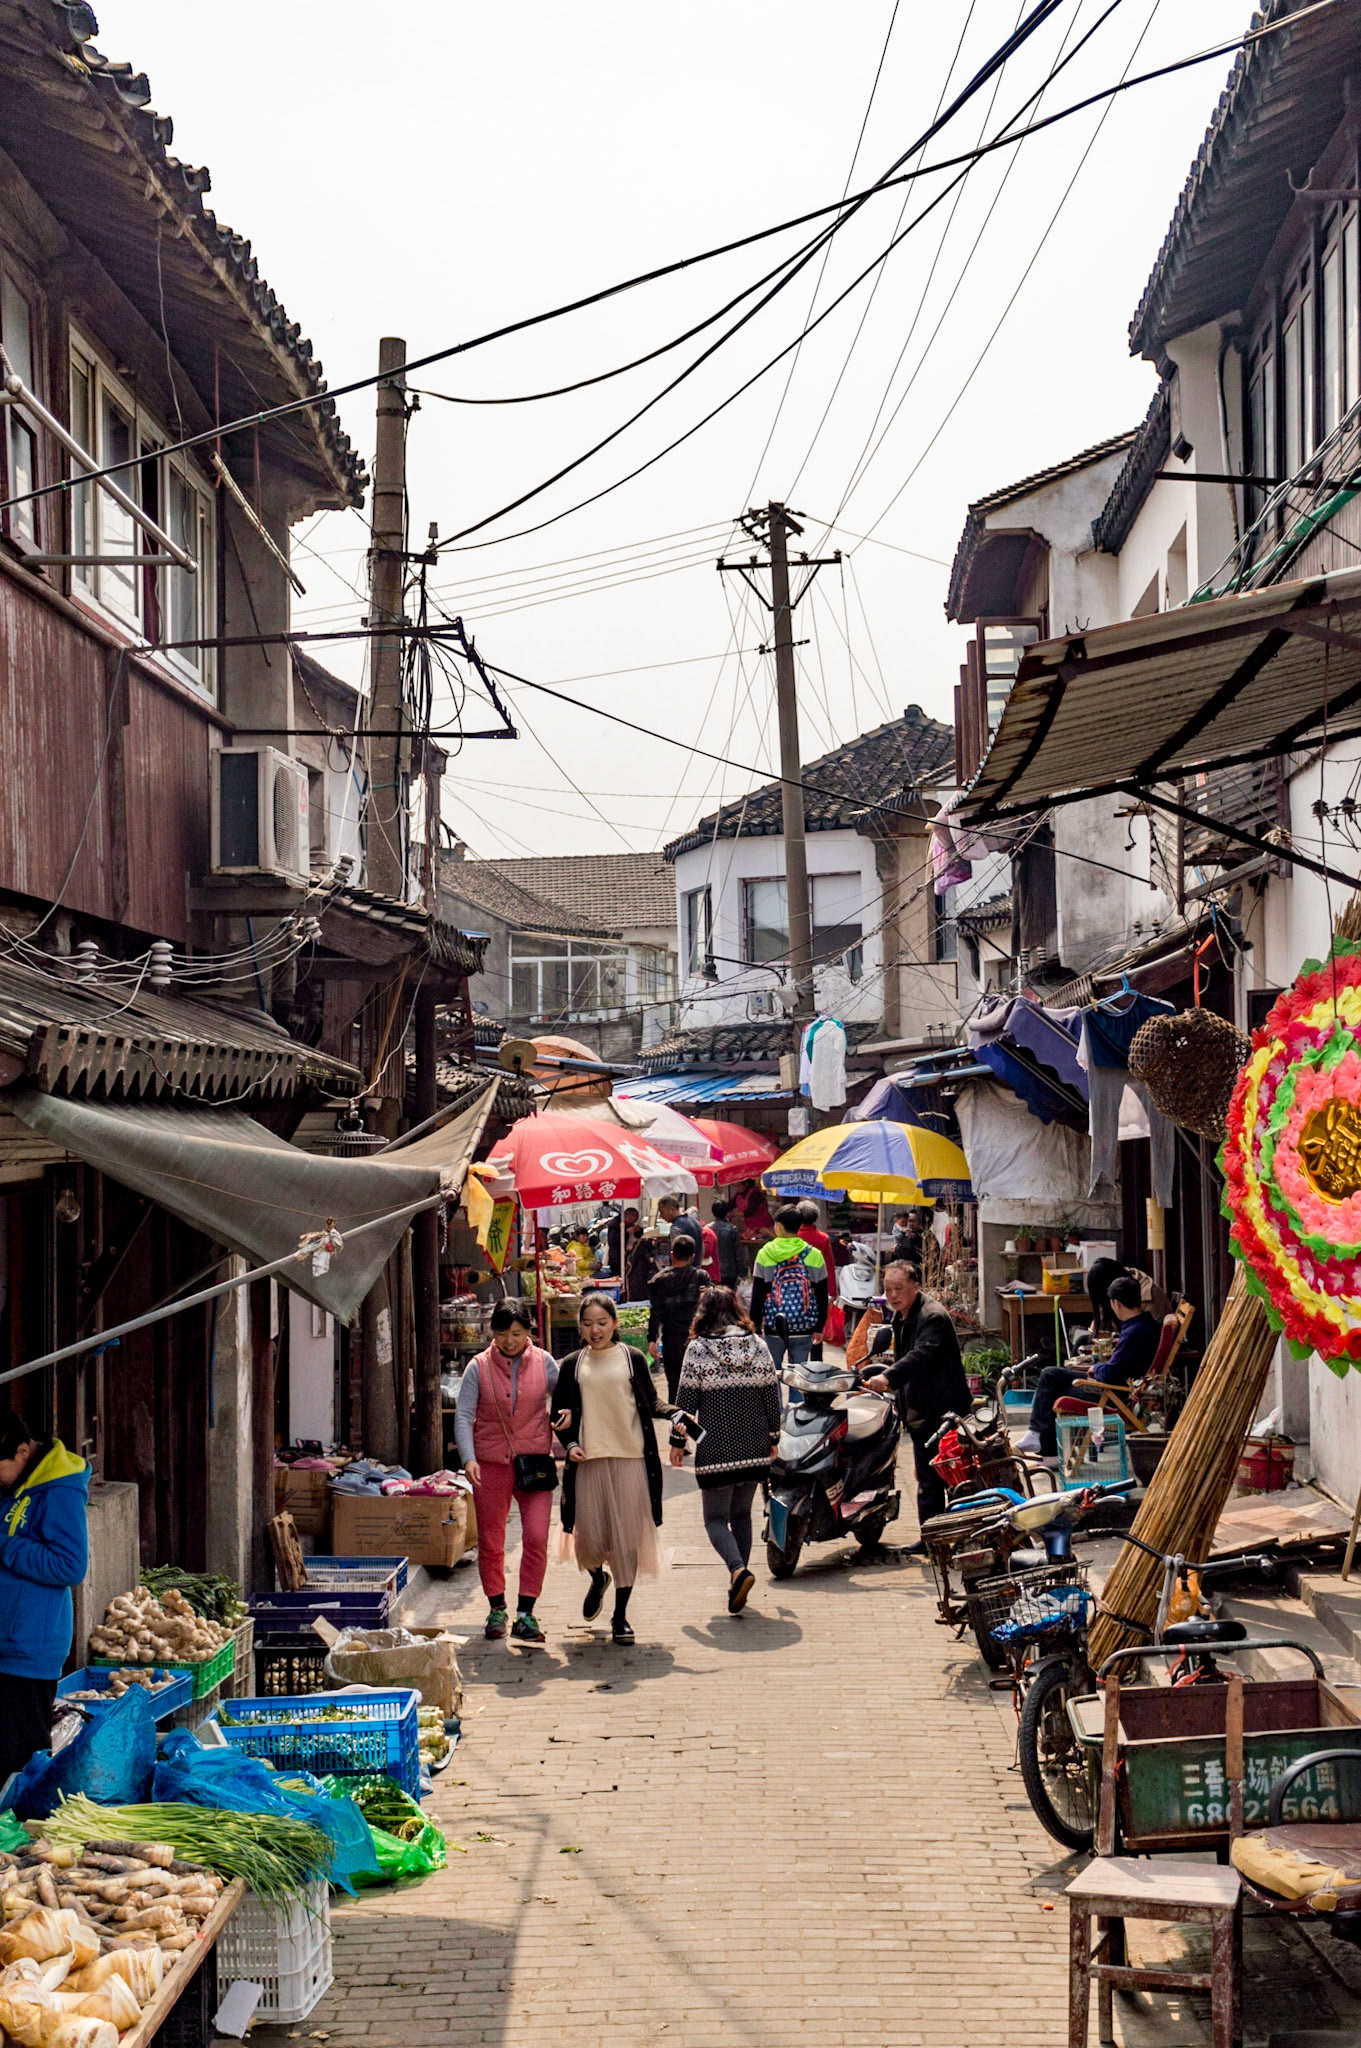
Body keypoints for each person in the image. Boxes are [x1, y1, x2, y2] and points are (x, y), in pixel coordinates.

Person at [554, 1294, 666, 1644]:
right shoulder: (572, 1364)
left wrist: (676, 1414)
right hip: (588, 1462)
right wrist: (569, 1441)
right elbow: (558, 1413)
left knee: (626, 1542)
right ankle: (596, 1578)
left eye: (602, 1322)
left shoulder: (632, 1359)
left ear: (615, 1323)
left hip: (630, 1459)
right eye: (587, 1324)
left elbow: (652, 1400)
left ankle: (620, 1616)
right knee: (588, 1542)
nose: (595, 1330)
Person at [669, 1288, 780, 1613]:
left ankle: (737, 1571)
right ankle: (738, 1581)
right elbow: (771, 1396)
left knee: (715, 1518)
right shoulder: (758, 1345)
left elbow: (686, 1402)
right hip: (755, 1444)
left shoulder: (698, 1349)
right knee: (741, 1515)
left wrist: (679, 1443)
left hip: (714, 1445)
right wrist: (773, 1437)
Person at [455, 1303, 559, 1643]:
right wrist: (468, 1458)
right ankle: (496, 1608)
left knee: (536, 1537)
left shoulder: (545, 1362)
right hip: (489, 1465)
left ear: (529, 1330)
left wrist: (567, 1416)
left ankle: (526, 1612)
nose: (509, 1341)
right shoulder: (478, 1367)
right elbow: (463, 1415)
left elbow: (564, 1399)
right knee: (491, 1540)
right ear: (492, 1334)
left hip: (535, 1464)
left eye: (516, 1334)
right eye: (501, 1335)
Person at [0, 1411, 90, 1784]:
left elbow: (69, 1566)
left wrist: (6, 1546)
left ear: (22, 1452)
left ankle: (20, 1836)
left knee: (18, 1766)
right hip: (7, 1647)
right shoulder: (14, 1486)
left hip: (27, 1652)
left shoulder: (59, 1490)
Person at [862, 1260, 972, 1531]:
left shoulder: (931, 1316)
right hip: (922, 1409)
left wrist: (888, 1377)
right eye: (888, 1290)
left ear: (915, 1286)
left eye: (899, 1288)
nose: (893, 1295)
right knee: (927, 1477)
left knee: (949, 1477)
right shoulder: (903, 1315)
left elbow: (920, 1355)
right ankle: (932, 1537)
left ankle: (953, 1533)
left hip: (944, 1411)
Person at [1018, 1274, 1163, 1460]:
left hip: (1115, 1395)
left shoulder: (1134, 1332)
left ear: (1116, 1303)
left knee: (1053, 1387)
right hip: (1121, 1388)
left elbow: (1110, 1374)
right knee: (1051, 1374)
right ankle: (1037, 1437)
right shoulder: (1147, 1325)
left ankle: (1046, 1449)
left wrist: (1098, 1368)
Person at [749, 1204, 828, 1372]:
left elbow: (757, 1294)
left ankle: (776, 1399)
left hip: (774, 1326)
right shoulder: (814, 1254)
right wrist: (820, 1326)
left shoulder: (765, 1253)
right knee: (799, 1377)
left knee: (772, 1375)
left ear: (778, 1225)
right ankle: (796, 1399)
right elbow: (822, 1294)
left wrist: (755, 1326)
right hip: (805, 1326)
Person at [647, 1236, 708, 1402]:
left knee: (674, 1384)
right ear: (693, 1256)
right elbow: (709, 1308)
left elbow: (656, 1312)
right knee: (702, 1385)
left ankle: (677, 1423)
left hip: (671, 1340)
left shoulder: (659, 1280)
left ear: (672, 1255)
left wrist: (652, 1339)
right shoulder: (701, 1277)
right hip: (698, 1339)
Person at [711, 1199, 742, 1288]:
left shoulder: (707, 1229)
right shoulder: (732, 1229)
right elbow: (738, 1254)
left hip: (713, 1270)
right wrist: (742, 1272)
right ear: (727, 1213)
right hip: (730, 1271)